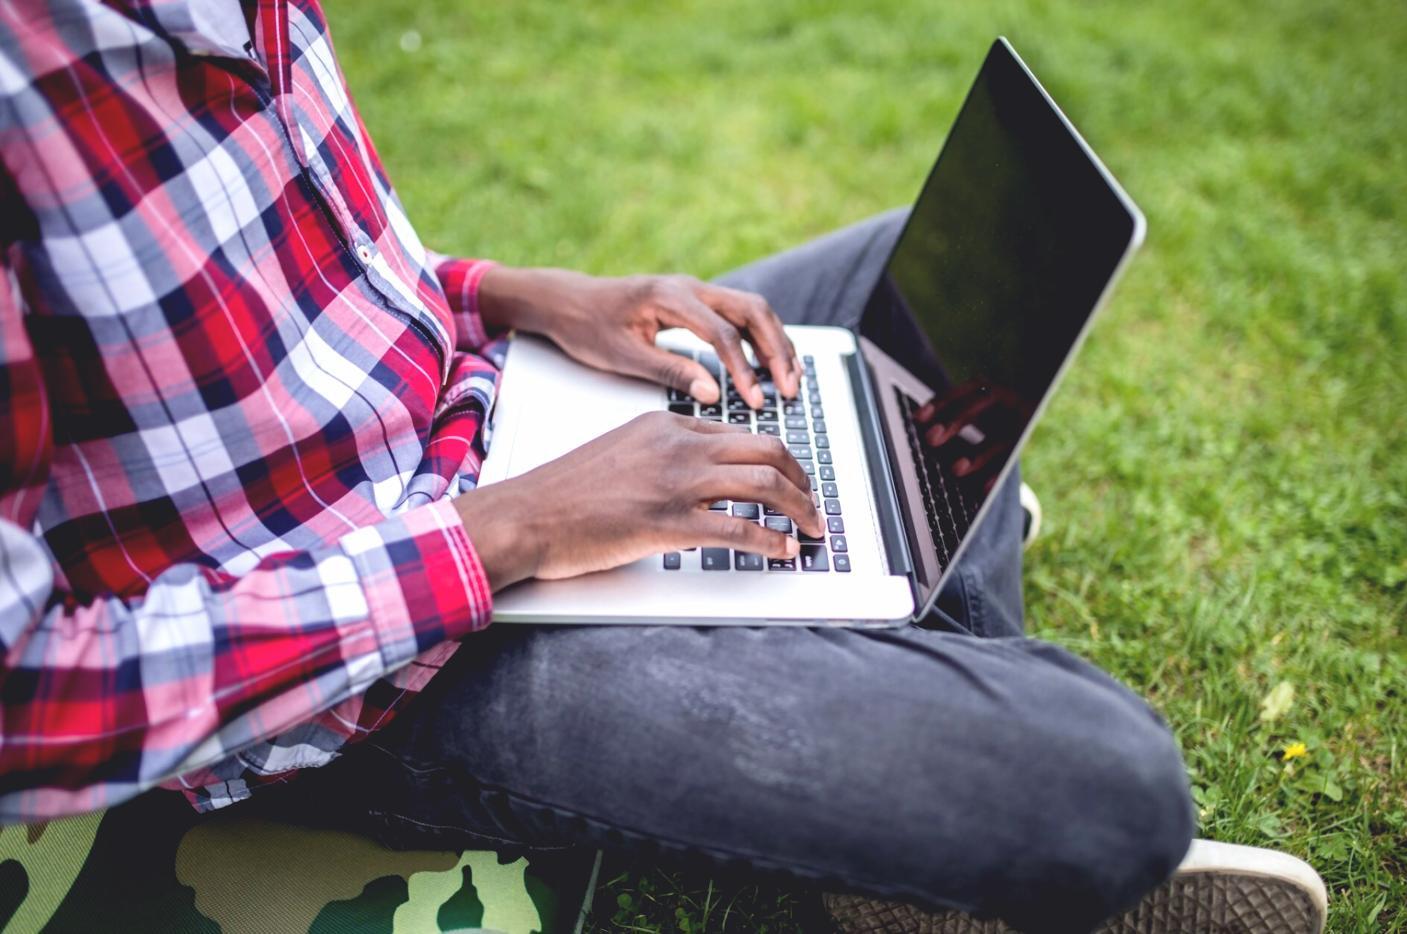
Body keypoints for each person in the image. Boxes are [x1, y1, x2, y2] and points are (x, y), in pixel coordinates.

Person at [0, 2, 1326, 931]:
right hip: (373, 670)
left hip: (497, 410)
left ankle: (876, 632)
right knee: (1107, 781)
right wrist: (510, 531)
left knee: (908, 274)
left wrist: (513, 295)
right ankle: (906, 680)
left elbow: (300, 285)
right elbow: (26, 697)